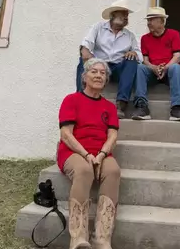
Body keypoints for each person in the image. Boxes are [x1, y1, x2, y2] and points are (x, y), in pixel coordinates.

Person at [58, 58, 121, 249]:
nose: (99, 76)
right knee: (85, 171)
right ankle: (77, 238)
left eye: (103, 73)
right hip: (73, 152)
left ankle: (102, 238)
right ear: (84, 77)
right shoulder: (72, 100)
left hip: (100, 153)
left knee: (114, 171)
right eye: (94, 71)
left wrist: (101, 155)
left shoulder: (109, 107)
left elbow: (113, 136)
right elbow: (66, 134)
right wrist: (86, 155)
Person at [77, 0, 142, 119]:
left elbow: (140, 57)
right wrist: (89, 56)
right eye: (123, 14)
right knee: (83, 61)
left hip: (117, 69)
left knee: (133, 60)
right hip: (100, 67)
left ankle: (121, 104)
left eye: (127, 15)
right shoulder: (98, 27)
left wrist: (134, 52)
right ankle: (80, 100)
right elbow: (86, 46)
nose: (126, 17)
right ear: (113, 14)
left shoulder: (130, 35)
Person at [131, 7, 180, 121]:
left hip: (169, 72)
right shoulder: (145, 38)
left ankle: (177, 107)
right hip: (152, 72)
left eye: (152, 20)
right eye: (148, 20)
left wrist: (166, 67)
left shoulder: (174, 34)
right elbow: (145, 60)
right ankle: (142, 106)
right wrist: (154, 68)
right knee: (140, 67)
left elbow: (177, 56)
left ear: (162, 21)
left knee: (176, 67)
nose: (148, 23)